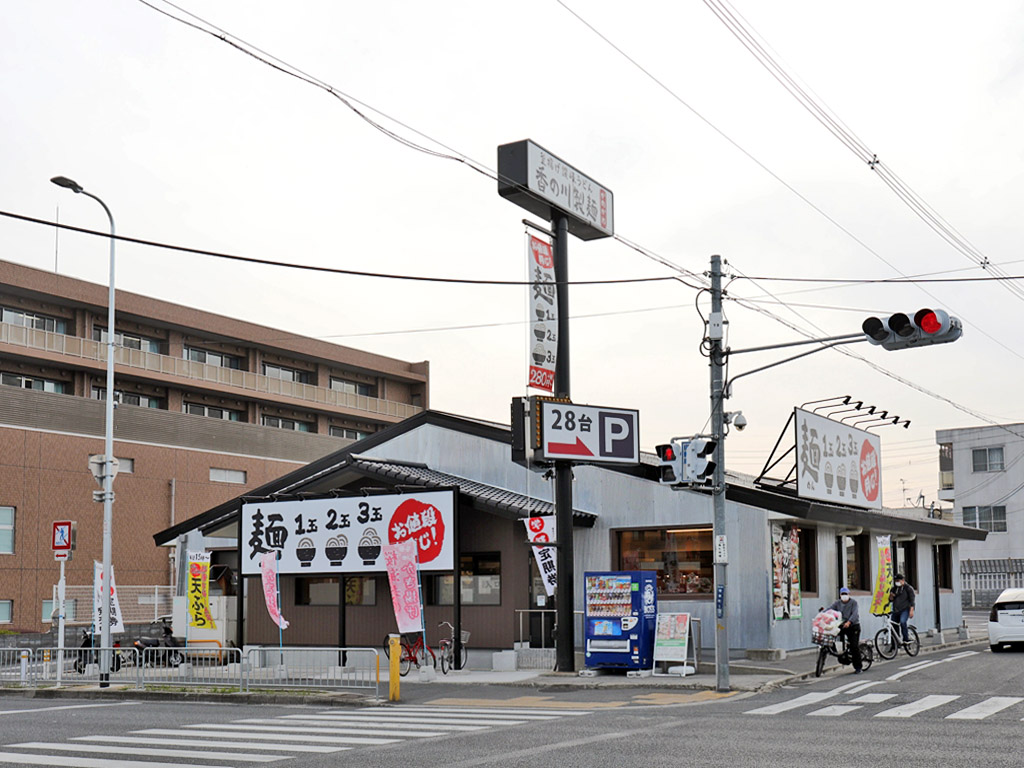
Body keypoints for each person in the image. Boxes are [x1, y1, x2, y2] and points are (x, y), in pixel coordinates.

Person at [828, 586, 863, 674]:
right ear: (840, 595)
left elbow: (854, 614)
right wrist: (822, 614)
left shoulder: (853, 603)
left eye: (846, 594)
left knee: (854, 646)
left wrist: (849, 622)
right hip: (842, 625)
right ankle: (837, 652)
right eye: (842, 594)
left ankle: (858, 667)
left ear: (848, 594)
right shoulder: (837, 603)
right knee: (830, 635)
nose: (844, 596)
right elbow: (830, 609)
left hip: (853, 625)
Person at [889, 572, 916, 643]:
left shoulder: (908, 588)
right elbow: (890, 600)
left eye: (898, 581)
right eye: (895, 581)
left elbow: (912, 600)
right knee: (893, 626)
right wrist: (891, 596)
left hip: (905, 609)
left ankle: (906, 638)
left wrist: (911, 610)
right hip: (896, 610)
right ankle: (895, 643)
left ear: (902, 580)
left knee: (903, 622)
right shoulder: (894, 589)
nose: (897, 582)